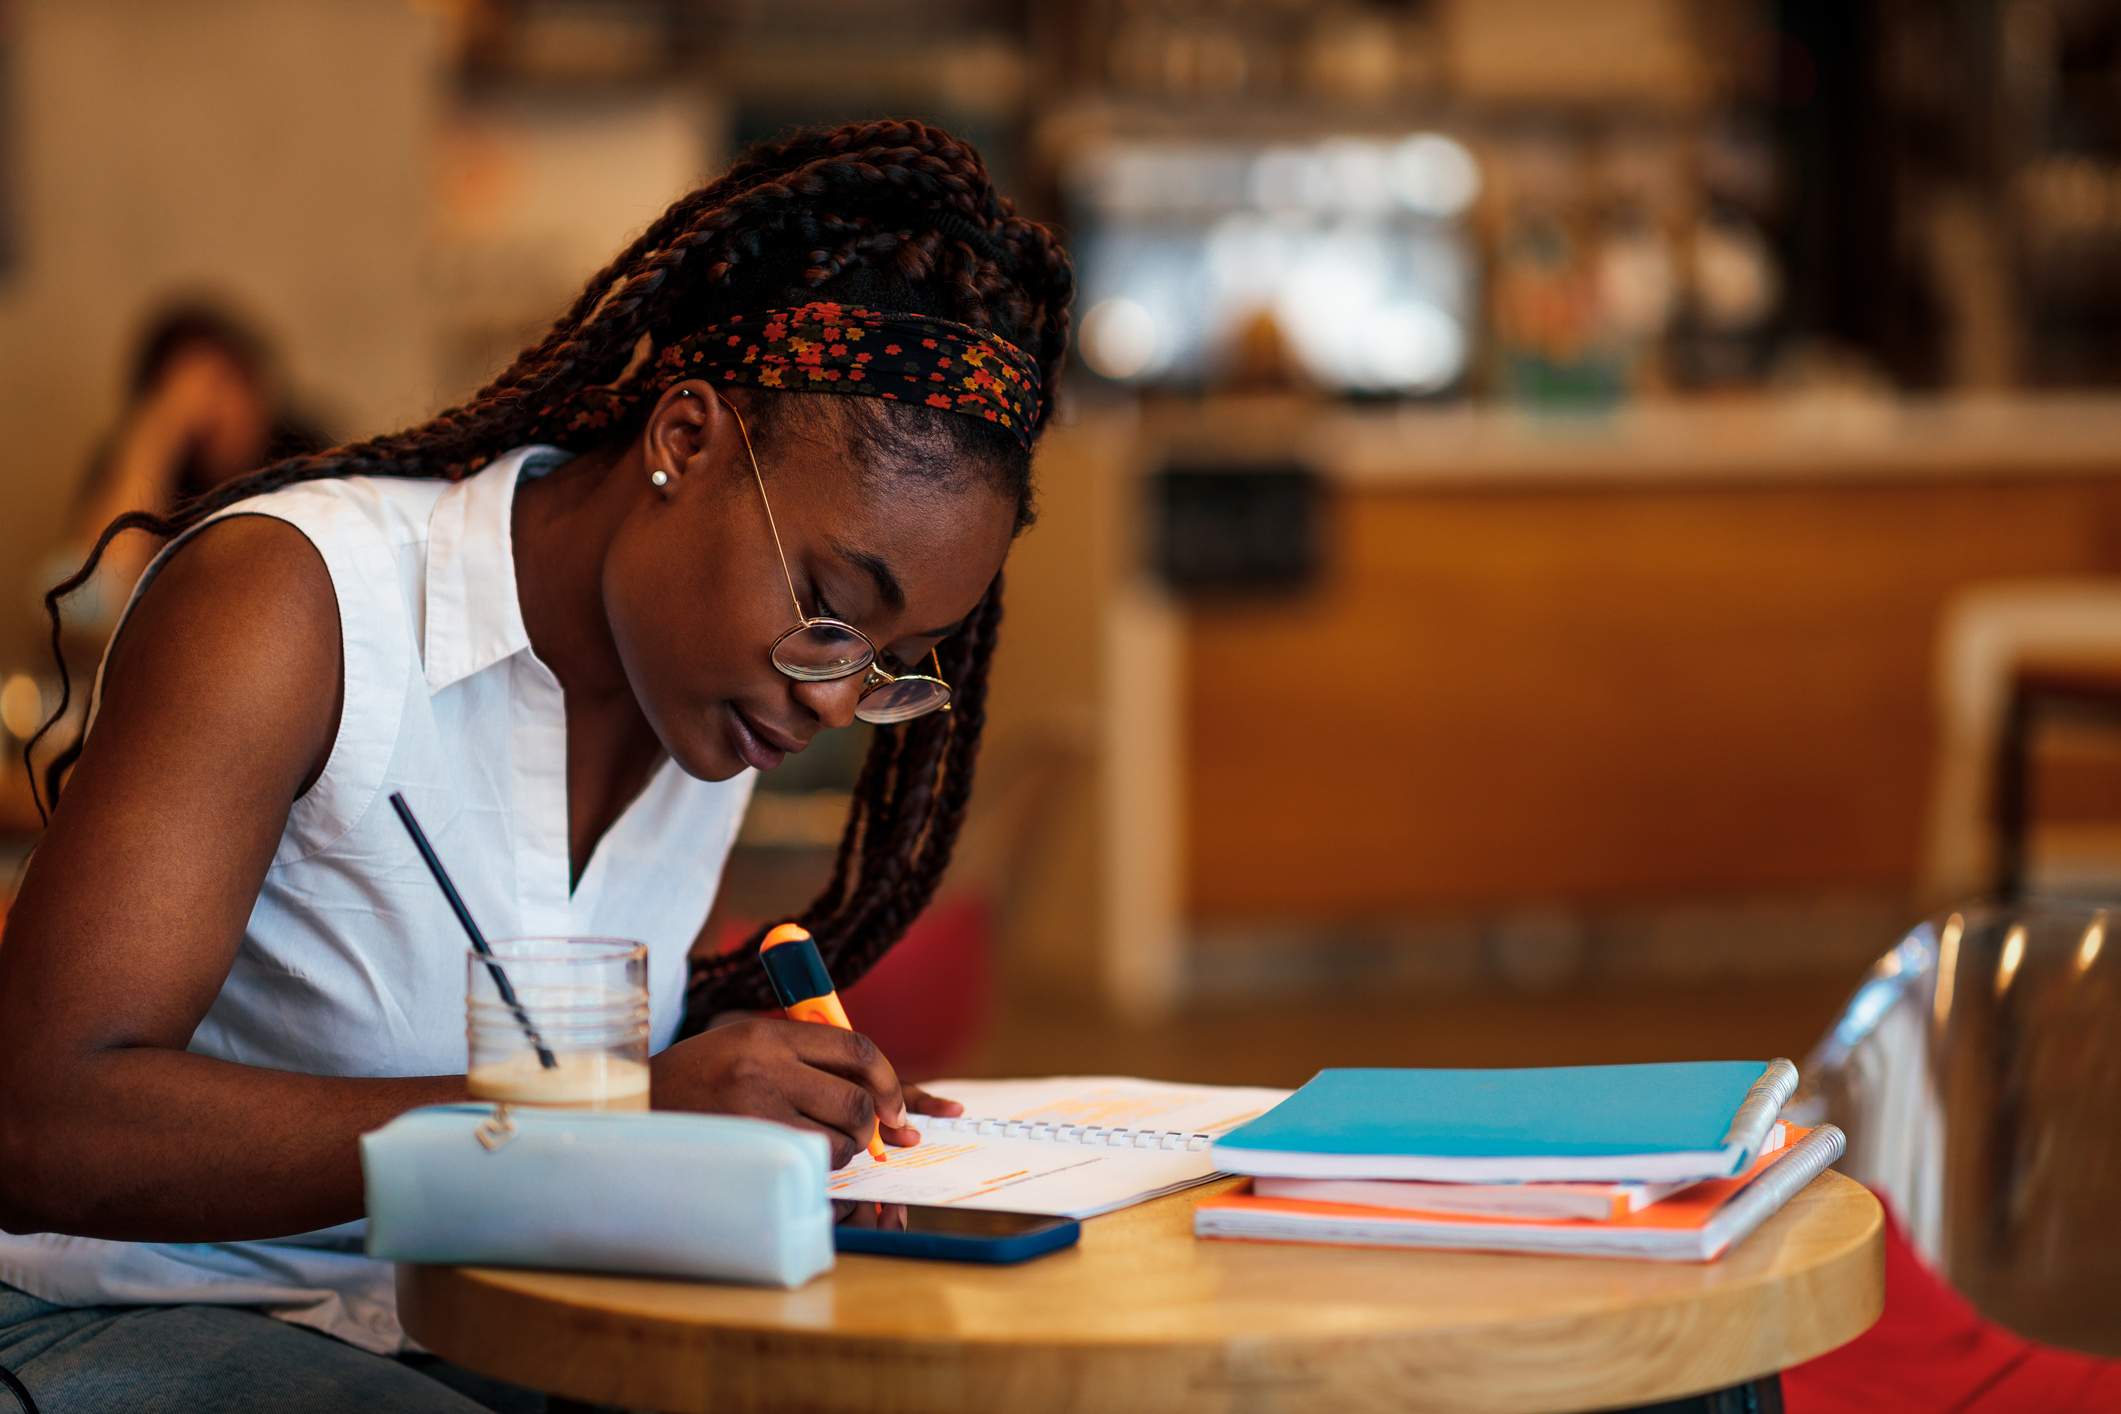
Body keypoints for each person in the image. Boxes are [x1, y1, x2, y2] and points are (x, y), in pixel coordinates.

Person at [0, 120, 1073, 1412]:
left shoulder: (712, 715)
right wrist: (600, 1111)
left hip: (471, 1327)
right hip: (123, 1312)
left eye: (897, 657)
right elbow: (42, 1121)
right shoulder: (295, 605)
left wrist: (761, 1110)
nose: (838, 695)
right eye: (835, 609)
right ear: (686, 438)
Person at [51, 303, 327, 636]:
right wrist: (157, 436)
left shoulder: (307, 452)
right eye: (184, 391)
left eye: (222, 381)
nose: (209, 407)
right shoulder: (141, 460)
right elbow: (87, 607)